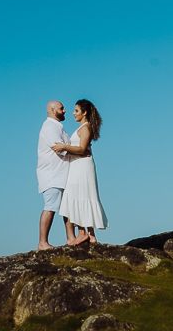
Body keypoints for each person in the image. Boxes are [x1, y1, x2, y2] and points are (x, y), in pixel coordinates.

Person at [52, 98, 107, 245]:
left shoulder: (85, 128)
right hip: (78, 165)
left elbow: (82, 149)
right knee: (80, 195)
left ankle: (84, 233)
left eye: (76, 111)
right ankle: (90, 235)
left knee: (80, 195)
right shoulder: (82, 128)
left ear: (84, 112)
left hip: (82, 166)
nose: (73, 113)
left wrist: (64, 147)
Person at [36, 100, 71, 250]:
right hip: (52, 175)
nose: (64, 111)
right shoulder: (50, 126)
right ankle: (42, 242)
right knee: (50, 206)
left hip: (61, 174)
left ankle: (71, 238)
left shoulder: (57, 127)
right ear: (52, 110)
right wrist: (80, 149)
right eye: (61, 108)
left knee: (68, 208)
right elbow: (60, 148)